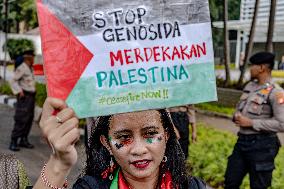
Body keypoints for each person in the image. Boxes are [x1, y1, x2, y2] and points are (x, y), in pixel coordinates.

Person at [33, 98, 206, 189]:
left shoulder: (192, 187)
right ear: (106, 143)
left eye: (150, 134)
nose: (139, 149)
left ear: (167, 135)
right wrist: (59, 164)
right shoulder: (91, 187)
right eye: (124, 137)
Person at [224, 52, 284, 189]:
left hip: (262, 145)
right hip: (242, 142)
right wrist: (237, 116)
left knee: (258, 185)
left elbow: (282, 123)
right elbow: (241, 108)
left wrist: (251, 123)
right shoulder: (250, 86)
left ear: (262, 68)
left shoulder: (276, 92)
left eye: (252, 65)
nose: (250, 68)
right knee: (230, 181)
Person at [9, 50, 36, 151]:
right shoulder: (22, 68)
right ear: (29, 58)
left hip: (31, 97)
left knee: (29, 119)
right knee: (21, 118)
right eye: (33, 57)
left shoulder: (30, 68)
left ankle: (23, 140)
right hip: (24, 97)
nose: (34, 59)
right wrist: (19, 91)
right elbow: (12, 81)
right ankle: (14, 141)